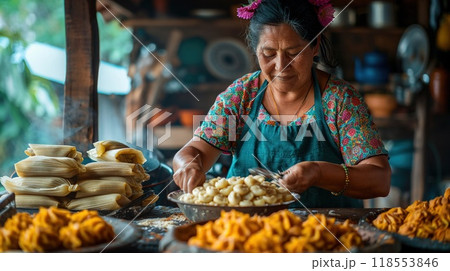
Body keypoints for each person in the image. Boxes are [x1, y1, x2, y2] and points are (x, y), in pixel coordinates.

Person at [173, 0, 391, 208]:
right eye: (268, 54)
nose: (281, 66)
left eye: (294, 53)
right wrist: (188, 166)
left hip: (326, 233)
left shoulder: (339, 101)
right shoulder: (241, 96)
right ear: (256, 50)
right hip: (244, 232)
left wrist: (318, 172)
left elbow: (379, 180)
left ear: (315, 46)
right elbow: (194, 151)